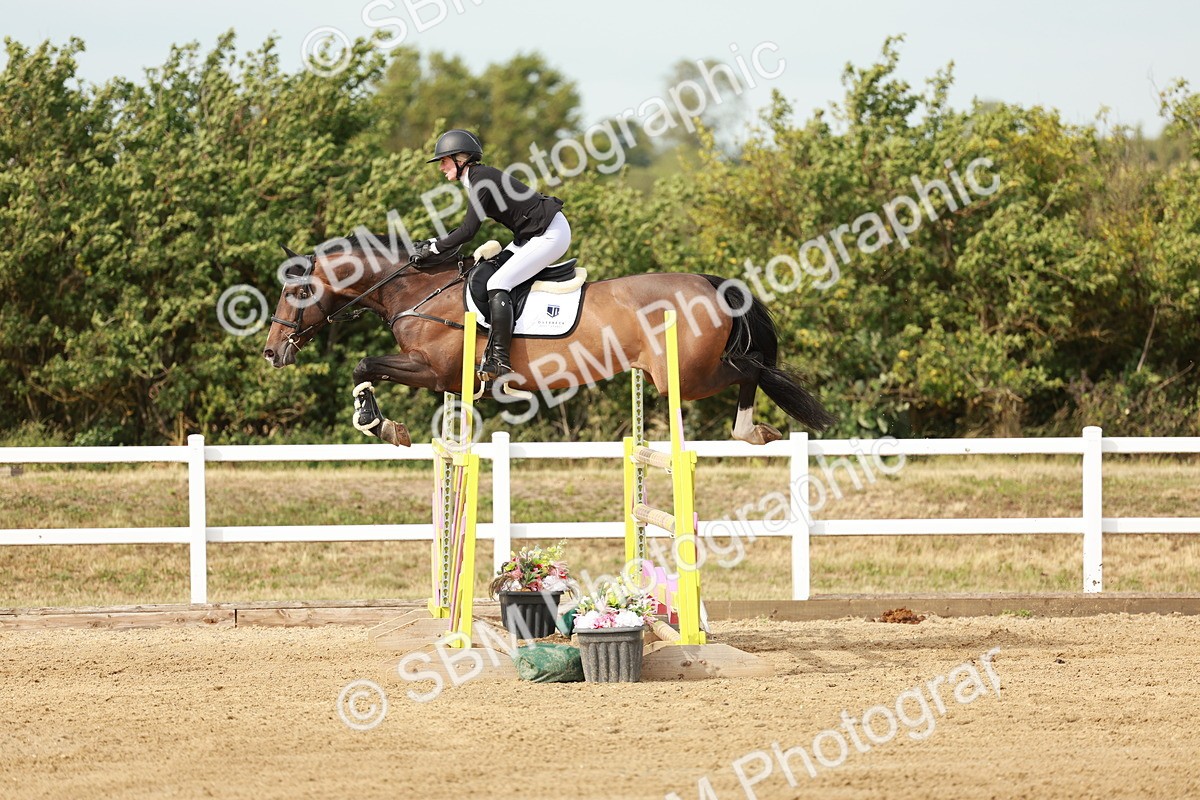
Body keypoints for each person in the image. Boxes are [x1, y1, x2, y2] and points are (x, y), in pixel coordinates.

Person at [412, 129, 571, 380]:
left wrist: (434, 249)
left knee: (498, 282)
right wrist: (435, 242)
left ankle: (501, 360)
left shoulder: (481, 179)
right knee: (486, 272)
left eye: (443, 161)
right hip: (529, 237)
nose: (441, 167)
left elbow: (468, 230)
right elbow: (464, 227)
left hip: (549, 234)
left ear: (459, 159)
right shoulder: (477, 178)